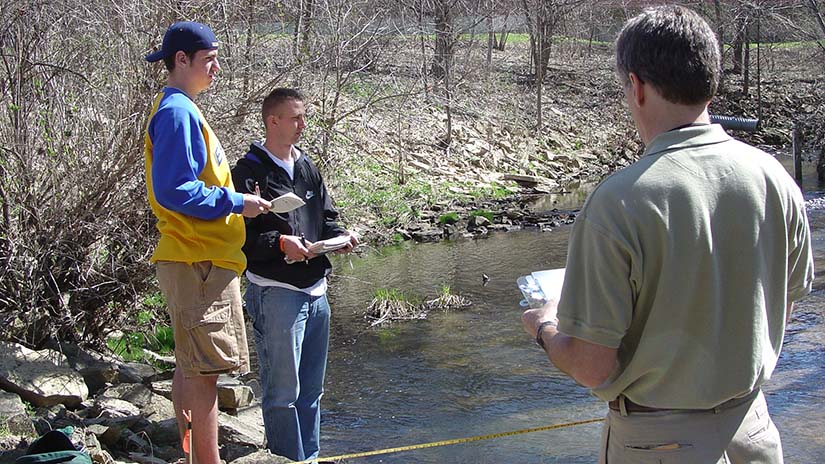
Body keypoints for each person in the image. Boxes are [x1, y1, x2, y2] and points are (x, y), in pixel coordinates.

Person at [521, 5, 814, 464]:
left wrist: (545, 328)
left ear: (636, 87)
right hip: (754, 430)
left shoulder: (619, 201)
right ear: (710, 79)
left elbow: (592, 366)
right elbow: (782, 307)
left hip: (657, 445)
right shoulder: (775, 178)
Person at [143, 21, 271, 464]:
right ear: (182, 60)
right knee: (206, 374)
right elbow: (174, 190)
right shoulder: (177, 112)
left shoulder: (180, 109)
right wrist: (238, 202)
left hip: (197, 259)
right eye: (210, 60)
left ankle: (189, 454)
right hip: (199, 261)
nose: (217, 68)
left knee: (189, 365)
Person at [231, 87, 358, 461]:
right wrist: (280, 243)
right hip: (275, 293)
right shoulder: (248, 172)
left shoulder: (306, 166)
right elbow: (240, 237)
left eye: (304, 116)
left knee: (311, 392)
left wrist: (339, 238)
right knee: (283, 394)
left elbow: (327, 216)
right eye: (296, 117)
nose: (303, 124)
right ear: (273, 121)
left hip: (317, 291)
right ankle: (288, 459)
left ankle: (311, 457)